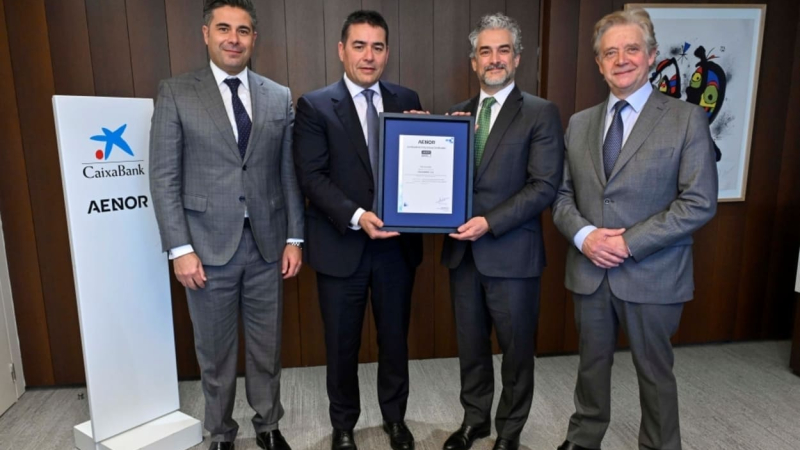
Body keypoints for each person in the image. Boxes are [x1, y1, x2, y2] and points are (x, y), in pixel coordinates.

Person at [551, 8, 718, 450]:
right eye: (610, 52)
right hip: (590, 270)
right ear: (599, 63)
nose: (621, 59)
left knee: (654, 373)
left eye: (631, 49)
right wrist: (586, 237)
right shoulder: (580, 123)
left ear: (651, 56)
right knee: (591, 367)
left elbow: (699, 202)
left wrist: (628, 242)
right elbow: (562, 196)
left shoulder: (686, 119)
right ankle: (583, 438)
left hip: (653, 272)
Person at [149, 1, 303, 449]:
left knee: (266, 347)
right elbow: (163, 177)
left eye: (243, 30)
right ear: (206, 34)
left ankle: (268, 426)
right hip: (205, 248)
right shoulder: (176, 92)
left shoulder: (278, 95)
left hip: (267, 246)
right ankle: (220, 432)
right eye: (223, 28)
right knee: (215, 352)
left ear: (254, 37)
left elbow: (288, 173)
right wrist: (180, 249)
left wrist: (295, 237)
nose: (233, 38)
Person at [292, 10, 423, 450]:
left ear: (387, 52)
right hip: (341, 244)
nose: (369, 56)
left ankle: (395, 419)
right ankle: (343, 425)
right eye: (360, 46)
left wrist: (431, 136)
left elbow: (420, 163)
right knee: (342, 344)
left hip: (396, 249)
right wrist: (357, 215)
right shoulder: (314, 105)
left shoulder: (407, 98)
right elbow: (312, 177)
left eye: (378, 47)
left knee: (395, 340)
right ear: (342, 50)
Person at [440, 13, 564, 450]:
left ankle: (509, 432)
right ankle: (475, 420)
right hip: (462, 256)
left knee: (516, 352)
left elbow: (544, 185)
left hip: (512, 255)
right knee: (471, 347)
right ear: (474, 61)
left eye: (503, 50)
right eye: (485, 51)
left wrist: (489, 222)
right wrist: (419, 133)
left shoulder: (540, 113)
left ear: (517, 58)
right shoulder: (456, 115)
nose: (494, 59)